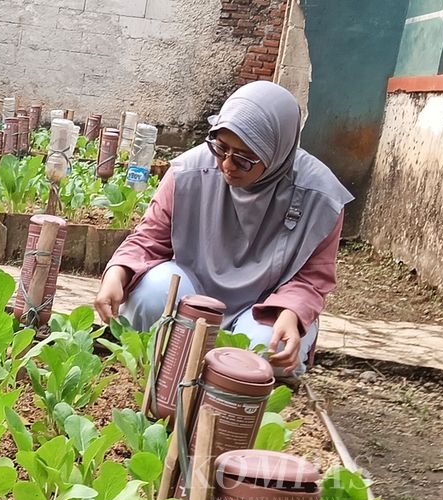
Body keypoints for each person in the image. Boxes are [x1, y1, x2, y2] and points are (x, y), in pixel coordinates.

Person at [93, 81, 353, 377]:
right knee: (151, 293)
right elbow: (149, 238)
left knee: (266, 355)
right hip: (193, 295)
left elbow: (311, 278)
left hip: (264, 307)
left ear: (277, 153)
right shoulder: (188, 173)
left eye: (244, 158)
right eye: (220, 148)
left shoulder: (321, 198)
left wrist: (291, 313)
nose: (227, 165)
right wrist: (117, 273)